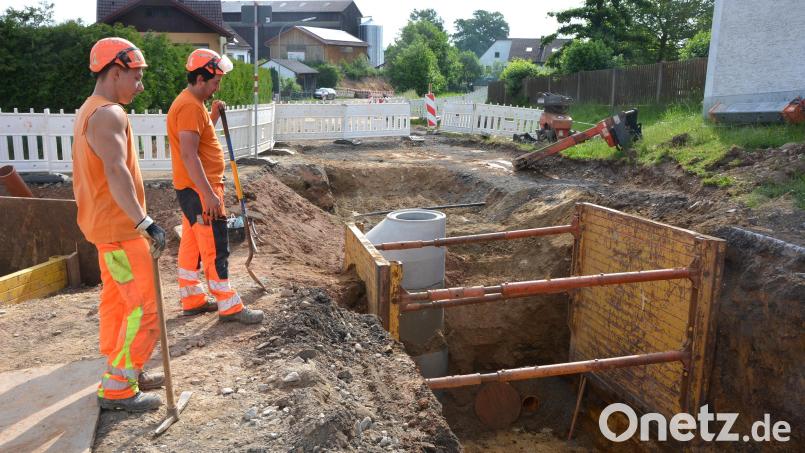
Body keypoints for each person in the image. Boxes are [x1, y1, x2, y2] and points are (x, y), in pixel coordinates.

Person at [72, 37, 167, 412]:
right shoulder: (109, 113)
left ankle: (123, 369)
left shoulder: (89, 110)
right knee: (143, 308)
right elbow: (116, 171)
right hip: (121, 230)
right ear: (115, 72)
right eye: (136, 76)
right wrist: (144, 222)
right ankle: (118, 387)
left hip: (105, 229)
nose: (140, 85)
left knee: (117, 302)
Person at [166, 48, 264, 324]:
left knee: (192, 246)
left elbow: (197, 134)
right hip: (202, 191)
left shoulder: (191, 105)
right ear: (199, 78)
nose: (217, 86)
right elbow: (189, 153)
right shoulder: (188, 106)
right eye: (214, 82)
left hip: (191, 190)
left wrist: (213, 116)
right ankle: (229, 306)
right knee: (214, 248)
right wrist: (208, 194)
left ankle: (192, 298)